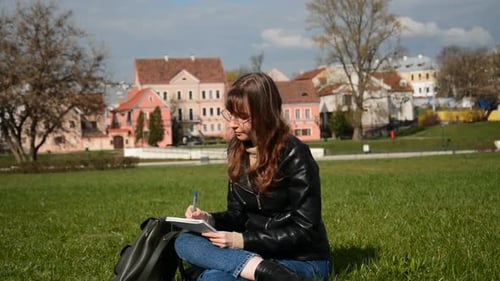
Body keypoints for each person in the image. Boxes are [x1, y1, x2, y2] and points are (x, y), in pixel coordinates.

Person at [174, 72, 331, 281]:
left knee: (216, 278)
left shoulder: (295, 154)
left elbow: (305, 231)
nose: (233, 124)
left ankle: (237, 270)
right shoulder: (237, 150)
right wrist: (208, 219)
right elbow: (238, 216)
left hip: (301, 258)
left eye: (242, 117)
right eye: (230, 115)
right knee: (183, 241)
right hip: (257, 255)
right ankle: (257, 270)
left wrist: (240, 242)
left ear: (265, 114)